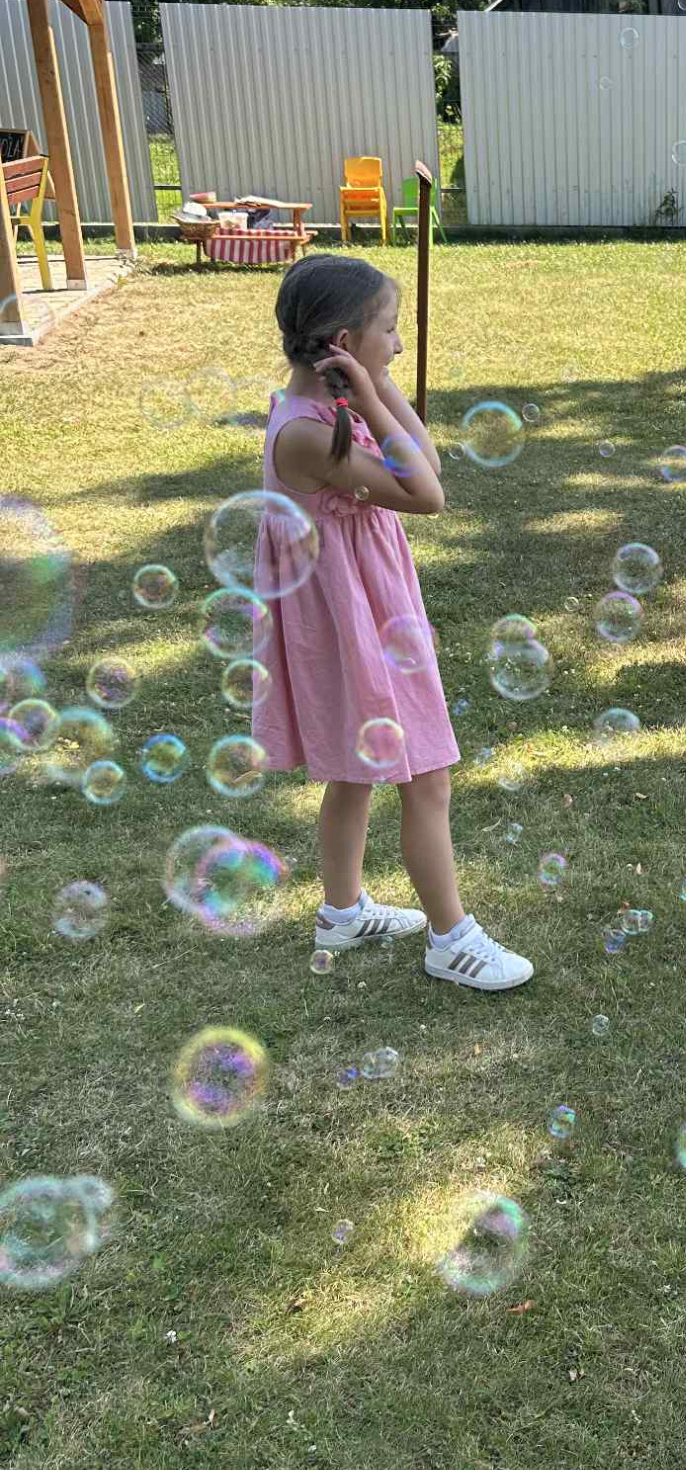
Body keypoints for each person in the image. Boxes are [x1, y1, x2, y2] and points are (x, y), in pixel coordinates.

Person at [254, 253, 533, 992]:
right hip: (353, 619)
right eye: (390, 330)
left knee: (355, 773)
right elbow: (427, 496)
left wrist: (374, 389)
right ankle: (452, 940)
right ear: (345, 342)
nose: (400, 345)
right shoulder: (309, 433)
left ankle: (342, 914)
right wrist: (372, 395)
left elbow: (425, 462)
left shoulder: (332, 409)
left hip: (364, 604)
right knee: (426, 777)